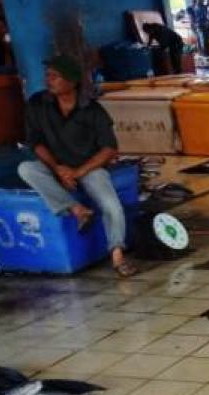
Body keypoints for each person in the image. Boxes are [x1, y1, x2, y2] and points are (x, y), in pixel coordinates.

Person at [18, 56, 135, 277]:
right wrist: (58, 169)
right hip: (57, 167)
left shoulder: (92, 110)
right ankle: (77, 209)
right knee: (26, 168)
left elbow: (109, 149)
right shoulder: (37, 103)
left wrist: (77, 172)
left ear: (72, 82)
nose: (48, 80)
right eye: (47, 75)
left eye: (55, 76)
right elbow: (35, 142)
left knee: (111, 205)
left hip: (89, 169)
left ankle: (117, 254)